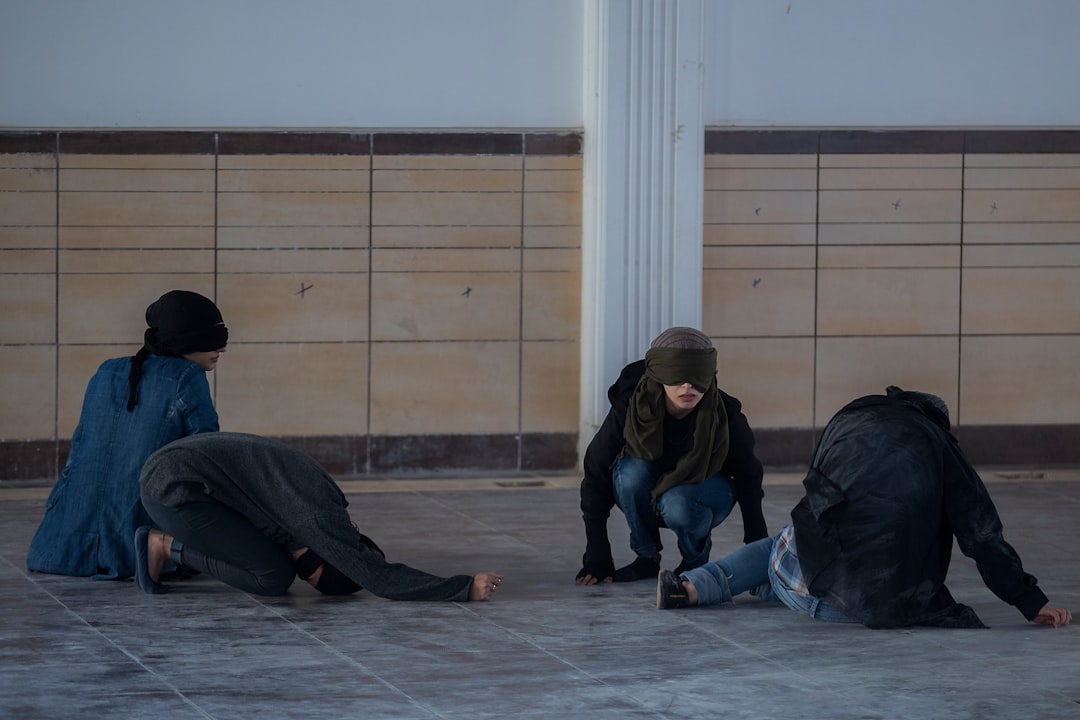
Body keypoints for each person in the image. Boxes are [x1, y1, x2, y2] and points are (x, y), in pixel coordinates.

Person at [657, 386, 1072, 629]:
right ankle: (769, 585)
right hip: (868, 610)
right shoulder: (942, 450)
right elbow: (982, 534)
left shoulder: (849, 423)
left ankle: (691, 588)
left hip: (805, 576)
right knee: (796, 553)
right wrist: (1030, 601)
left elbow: (814, 502)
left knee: (783, 543)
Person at [134, 432, 504, 602]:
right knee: (274, 576)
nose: (303, 571)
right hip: (173, 492)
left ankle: (167, 543)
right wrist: (463, 587)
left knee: (274, 558)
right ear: (324, 552)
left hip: (177, 473)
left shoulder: (319, 508)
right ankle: (164, 545)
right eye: (310, 571)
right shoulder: (316, 521)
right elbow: (381, 580)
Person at [26, 290, 228, 580]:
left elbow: (78, 452)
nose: (221, 350)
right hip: (135, 548)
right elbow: (207, 458)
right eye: (214, 340)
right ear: (188, 339)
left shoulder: (107, 370)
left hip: (61, 546)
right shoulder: (187, 377)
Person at [576, 327, 768, 585]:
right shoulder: (631, 407)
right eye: (676, 376)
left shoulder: (726, 416)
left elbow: (749, 478)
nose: (687, 386)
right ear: (658, 374)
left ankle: (695, 563)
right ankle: (646, 558)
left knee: (677, 500)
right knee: (630, 471)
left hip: (707, 493)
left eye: (696, 376)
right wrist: (597, 553)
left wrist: (758, 550)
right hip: (648, 492)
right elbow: (596, 472)